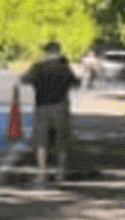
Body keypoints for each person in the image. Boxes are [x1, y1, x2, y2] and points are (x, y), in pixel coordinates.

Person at [17, 40, 80, 182]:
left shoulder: (38, 67)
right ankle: (60, 171)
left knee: (40, 140)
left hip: (42, 107)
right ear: (59, 52)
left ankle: (41, 172)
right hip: (60, 106)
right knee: (61, 138)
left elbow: (24, 80)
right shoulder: (64, 68)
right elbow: (76, 83)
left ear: (45, 53)